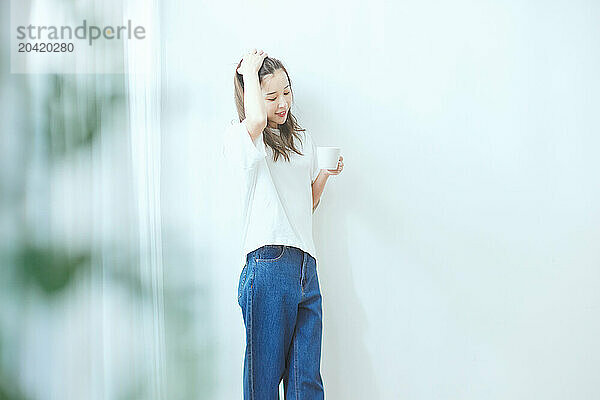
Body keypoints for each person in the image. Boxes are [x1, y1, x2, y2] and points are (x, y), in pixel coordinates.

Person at [222, 48, 344, 399]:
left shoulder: (301, 139)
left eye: (286, 92)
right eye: (271, 96)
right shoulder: (242, 135)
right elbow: (256, 122)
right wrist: (248, 70)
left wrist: (324, 174)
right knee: (263, 382)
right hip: (268, 264)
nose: (282, 103)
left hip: (306, 265)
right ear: (252, 98)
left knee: (306, 383)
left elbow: (307, 204)